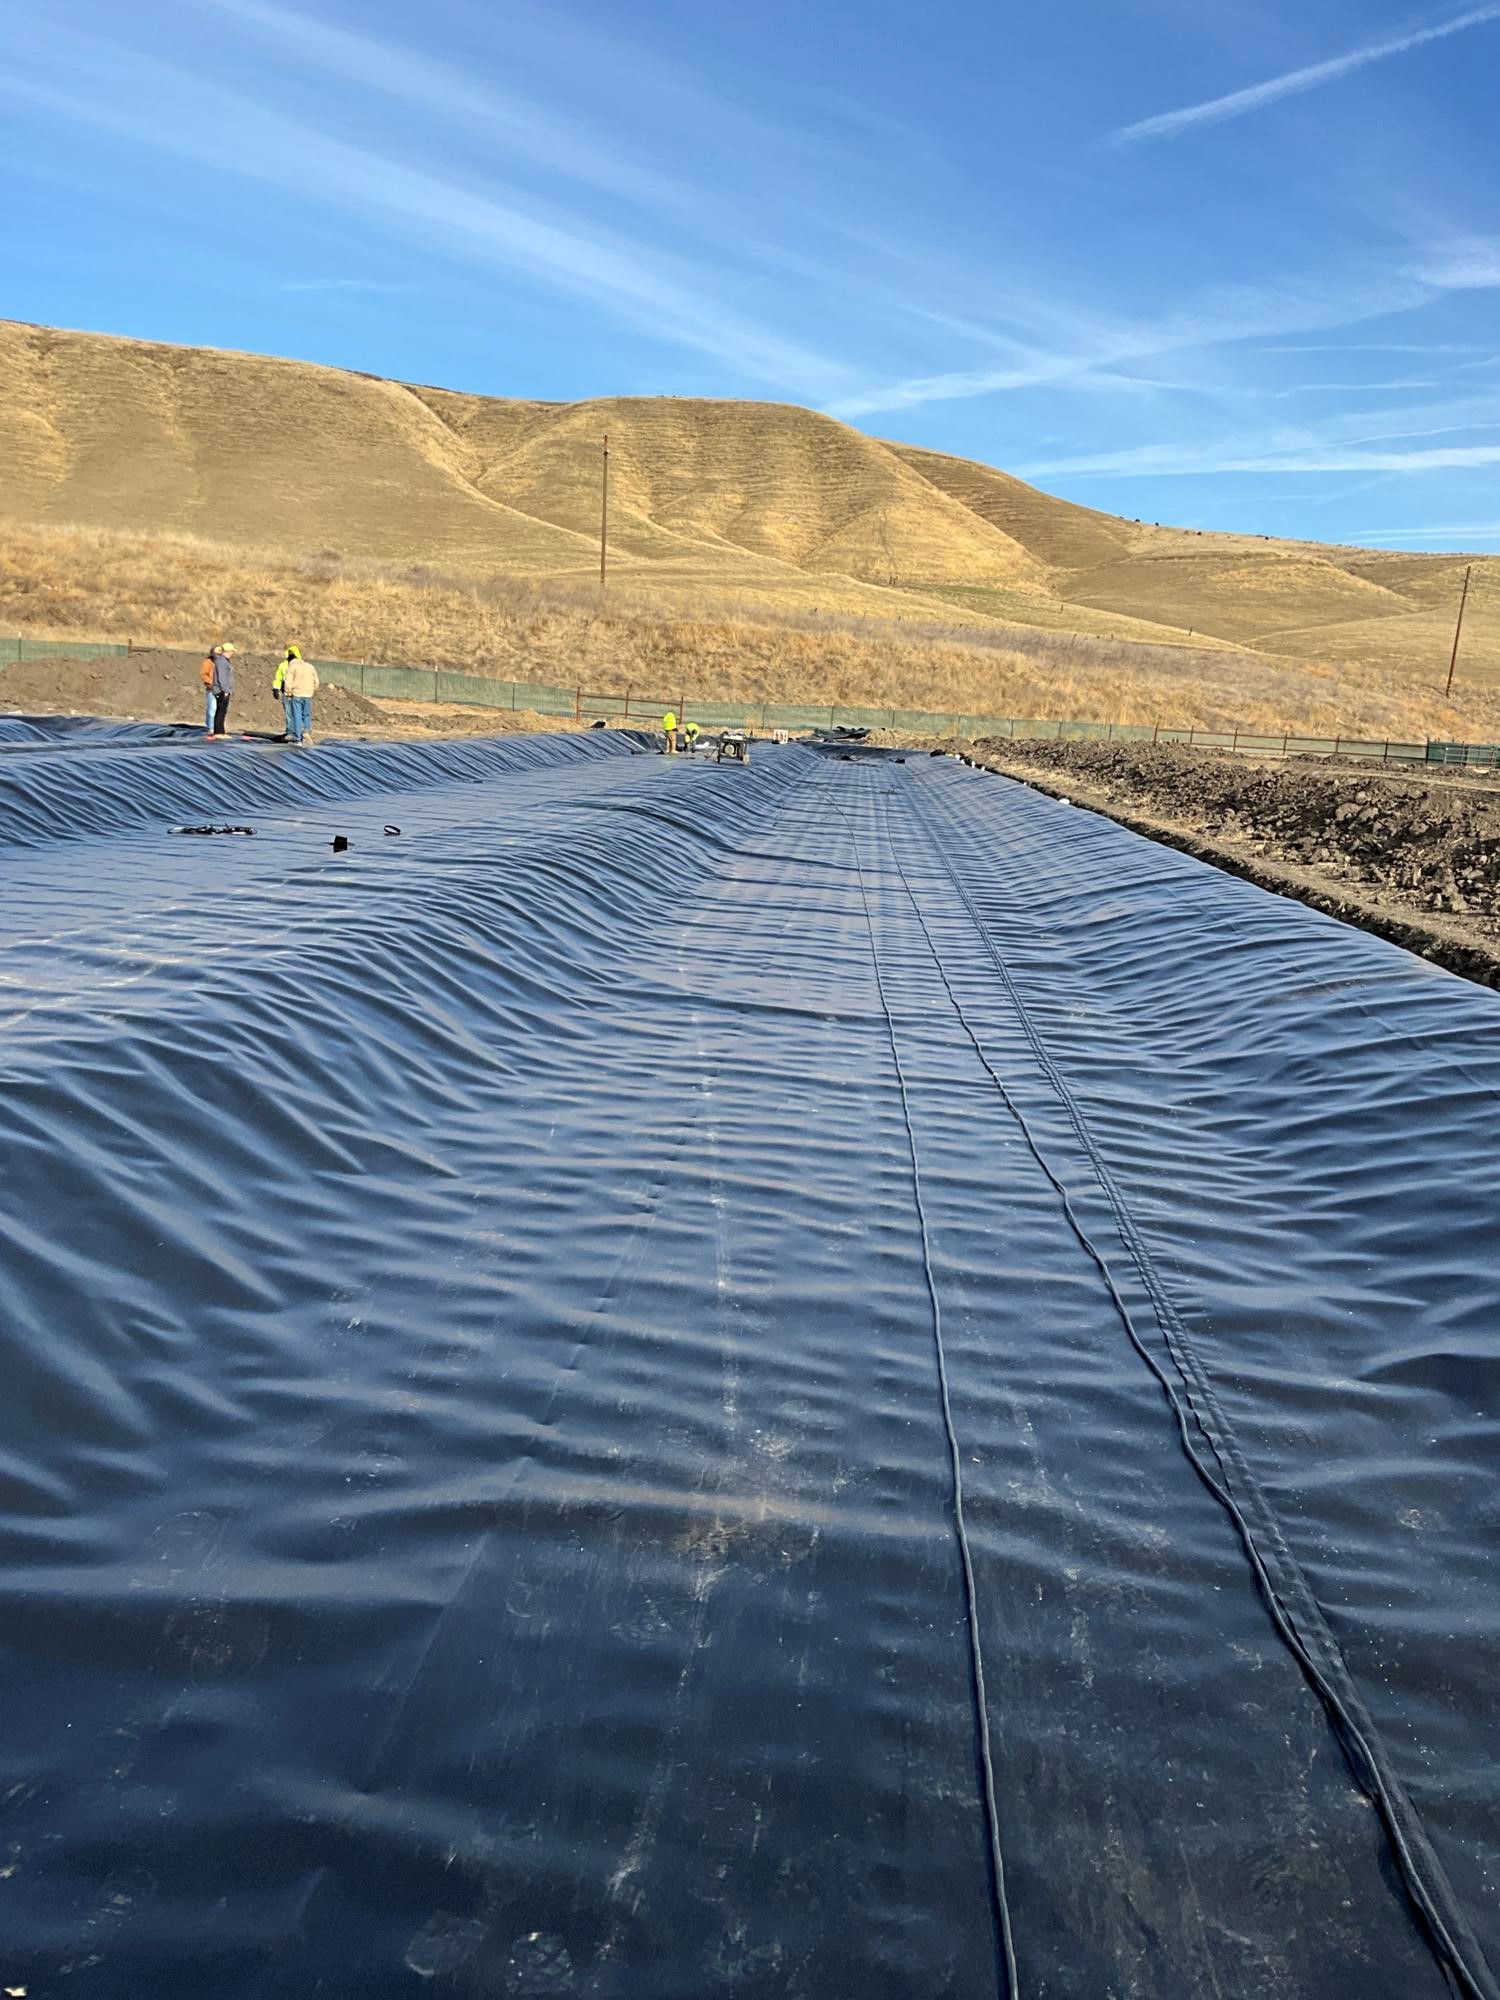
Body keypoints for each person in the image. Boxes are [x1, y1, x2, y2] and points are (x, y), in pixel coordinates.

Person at [281, 647, 320, 744]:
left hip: (297, 694)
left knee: (297, 715)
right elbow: (316, 681)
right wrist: (312, 689)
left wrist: (288, 693)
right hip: (308, 694)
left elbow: (288, 682)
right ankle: (306, 731)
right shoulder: (310, 666)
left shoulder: (292, 667)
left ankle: (298, 737)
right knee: (306, 714)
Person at [205, 644, 235, 738]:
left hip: (222, 689)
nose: (233, 653)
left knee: (222, 711)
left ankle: (220, 731)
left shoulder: (223, 661)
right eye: (232, 651)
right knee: (220, 711)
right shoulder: (222, 662)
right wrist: (225, 690)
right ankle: (218, 732)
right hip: (221, 690)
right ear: (228, 651)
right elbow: (222, 677)